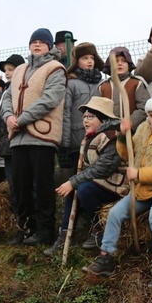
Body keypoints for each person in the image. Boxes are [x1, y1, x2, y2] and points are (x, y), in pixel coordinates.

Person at [83, 93, 152, 289]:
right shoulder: (143, 130)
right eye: (150, 115)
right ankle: (106, 258)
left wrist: (139, 174)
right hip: (143, 188)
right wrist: (123, 138)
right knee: (115, 213)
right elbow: (128, 154)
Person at [0, 28, 67, 246]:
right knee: (20, 186)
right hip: (18, 137)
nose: (37, 45)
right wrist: (9, 116)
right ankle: (25, 228)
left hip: (42, 136)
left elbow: (50, 99)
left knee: (43, 185)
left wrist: (22, 119)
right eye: (34, 42)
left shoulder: (56, 68)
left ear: (50, 46)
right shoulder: (20, 69)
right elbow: (8, 96)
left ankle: (46, 230)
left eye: (42, 42)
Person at [47, 96, 124, 256]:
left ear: (103, 119)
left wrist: (74, 181)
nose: (85, 121)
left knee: (83, 189)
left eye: (91, 117)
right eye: (84, 117)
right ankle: (64, 234)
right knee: (73, 190)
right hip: (102, 182)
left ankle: (99, 227)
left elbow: (104, 168)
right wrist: (73, 183)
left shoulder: (111, 137)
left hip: (117, 184)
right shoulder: (91, 137)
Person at [60, 42, 108, 170]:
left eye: (92, 58)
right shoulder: (71, 84)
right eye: (85, 58)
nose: (89, 61)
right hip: (77, 140)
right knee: (77, 177)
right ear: (77, 61)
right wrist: (65, 142)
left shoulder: (102, 83)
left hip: (100, 139)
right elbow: (65, 112)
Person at [0, 54, 25, 208]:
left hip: (18, 141)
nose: (6, 73)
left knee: (22, 182)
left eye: (10, 69)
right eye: (5, 70)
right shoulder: (6, 90)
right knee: (12, 182)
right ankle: (18, 215)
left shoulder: (22, 88)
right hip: (7, 144)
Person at [101, 47, 149, 133]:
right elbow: (96, 111)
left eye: (123, 61)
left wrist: (129, 123)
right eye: (116, 61)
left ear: (129, 64)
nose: (119, 64)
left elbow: (143, 108)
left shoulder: (137, 83)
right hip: (106, 134)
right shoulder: (102, 86)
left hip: (131, 133)